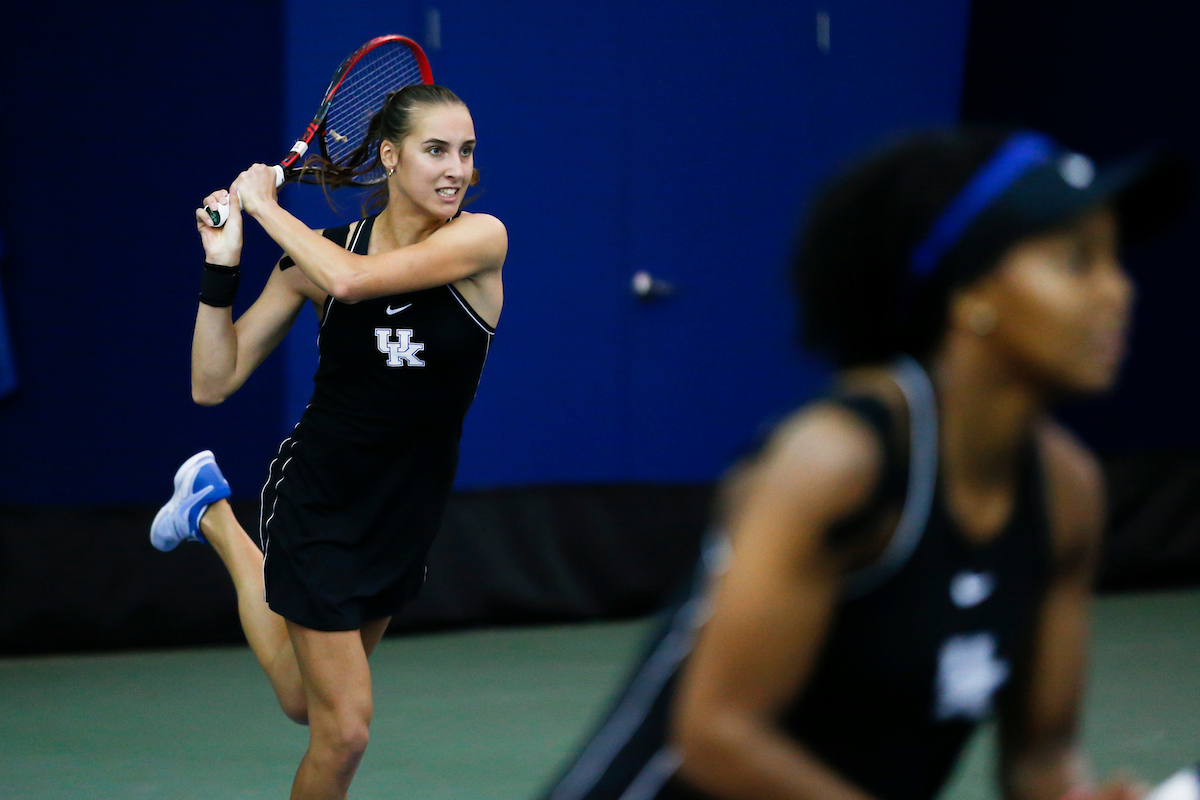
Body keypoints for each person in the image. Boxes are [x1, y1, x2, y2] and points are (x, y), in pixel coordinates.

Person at [540, 128, 1188, 800]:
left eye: (1116, 259)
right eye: (1076, 261)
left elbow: (1042, 760)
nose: (1117, 292)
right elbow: (720, 736)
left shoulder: (1066, 492)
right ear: (970, 295)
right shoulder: (837, 464)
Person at [149, 83, 507, 800]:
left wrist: (266, 206)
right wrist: (222, 264)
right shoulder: (316, 259)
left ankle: (212, 516)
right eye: (435, 150)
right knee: (342, 732)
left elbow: (354, 283)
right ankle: (217, 514)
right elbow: (213, 382)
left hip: (406, 509)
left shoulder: (478, 240)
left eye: (465, 152)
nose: (455, 169)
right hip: (320, 495)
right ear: (389, 156)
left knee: (299, 700)